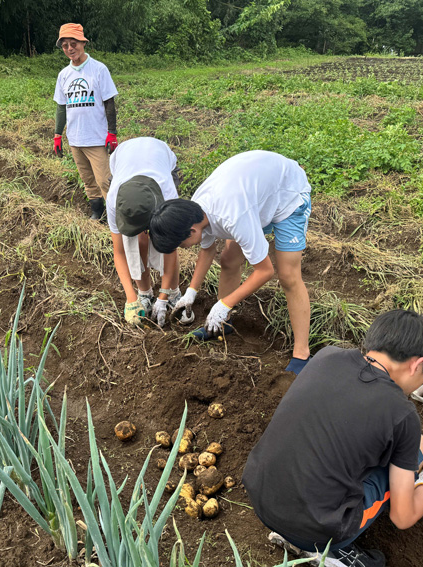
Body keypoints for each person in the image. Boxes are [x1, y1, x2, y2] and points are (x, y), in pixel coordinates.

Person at [242, 309, 423, 567]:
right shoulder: (402, 414)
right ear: (417, 365)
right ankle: (328, 553)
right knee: (419, 447)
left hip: (260, 495)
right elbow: (402, 518)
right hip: (315, 529)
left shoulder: (326, 355)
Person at [149, 150, 312, 372]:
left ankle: (302, 355)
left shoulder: (232, 216)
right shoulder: (195, 210)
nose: (182, 248)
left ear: (191, 231)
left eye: (180, 244)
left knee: (288, 276)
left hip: (288, 195)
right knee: (228, 260)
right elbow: (207, 251)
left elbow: (265, 271)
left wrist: (225, 303)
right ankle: (222, 325)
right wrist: (191, 293)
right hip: (256, 197)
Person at [106, 137, 192, 327]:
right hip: (123, 161)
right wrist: (130, 298)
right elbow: (119, 251)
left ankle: (174, 292)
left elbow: (170, 249)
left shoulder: (168, 196)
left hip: (160, 159)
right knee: (135, 243)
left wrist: (164, 296)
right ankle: (143, 293)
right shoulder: (114, 201)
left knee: (163, 240)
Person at [52, 23, 118, 220]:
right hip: (75, 138)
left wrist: (112, 133)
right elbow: (61, 107)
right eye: (65, 45)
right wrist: (57, 134)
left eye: (74, 43)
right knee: (88, 180)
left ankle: (116, 217)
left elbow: (109, 102)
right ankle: (97, 212)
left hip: (96, 138)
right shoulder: (64, 75)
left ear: (83, 43)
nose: (70, 48)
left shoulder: (98, 69)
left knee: (105, 181)